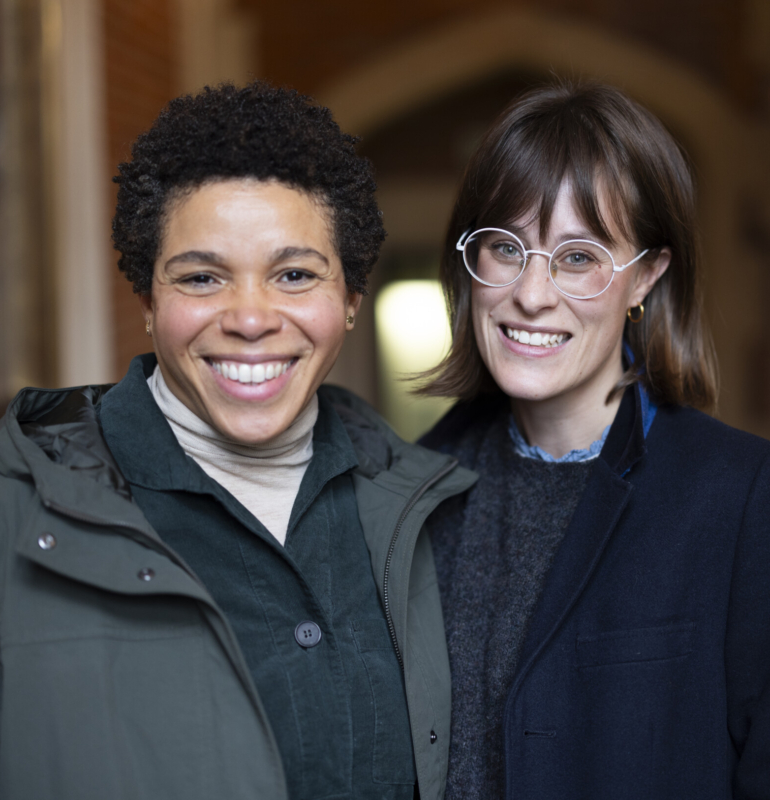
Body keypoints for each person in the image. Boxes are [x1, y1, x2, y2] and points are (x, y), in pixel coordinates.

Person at [0, 82, 475, 800]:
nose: (250, 318)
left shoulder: (432, 512)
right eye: (201, 277)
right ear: (148, 302)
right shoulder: (17, 510)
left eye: (295, 275)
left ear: (349, 300)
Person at [419, 81, 770, 799]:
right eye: (505, 248)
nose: (532, 294)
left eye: (578, 257)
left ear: (647, 277)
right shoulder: (410, 493)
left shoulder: (757, 502)